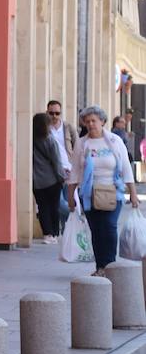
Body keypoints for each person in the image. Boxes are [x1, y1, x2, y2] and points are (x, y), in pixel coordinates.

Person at [67, 106, 141, 276]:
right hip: (89, 194)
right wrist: (71, 196)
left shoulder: (115, 141)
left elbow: (125, 169)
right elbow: (75, 171)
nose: (91, 124)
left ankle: (110, 266)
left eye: (94, 121)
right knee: (96, 230)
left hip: (112, 193)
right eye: (87, 121)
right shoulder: (83, 143)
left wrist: (133, 194)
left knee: (109, 227)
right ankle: (100, 267)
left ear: (102, 122)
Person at [31, 111, 70, 243]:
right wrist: (61, 177)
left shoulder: (30, 140)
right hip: (52, 180)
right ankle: (54, 233)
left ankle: (46, 234)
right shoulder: (50, 141)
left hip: (36, 180)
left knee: (42, 207)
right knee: (54, 206)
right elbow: (56, 161)